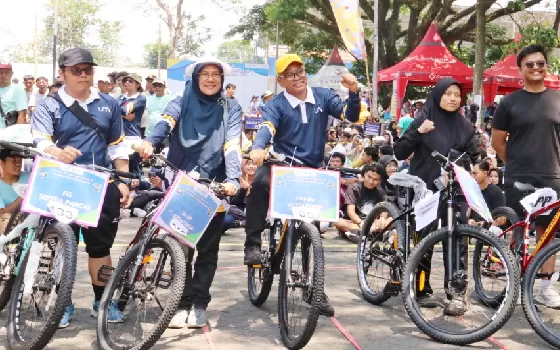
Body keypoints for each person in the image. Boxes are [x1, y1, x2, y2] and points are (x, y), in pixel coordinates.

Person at [243, 53, 360, 316]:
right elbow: (266, 127)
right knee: (260, 181)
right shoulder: (276, 104)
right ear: (281, 81)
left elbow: (350, 116)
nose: (298, 78)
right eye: (291, 74)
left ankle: (313, 286)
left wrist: (354, 92)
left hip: (313, 170)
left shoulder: (323, 96)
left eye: (301, 71)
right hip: (281, 165)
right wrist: (259, 147)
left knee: (312, 231)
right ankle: (252, 244)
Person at [137, 57, 242, 328]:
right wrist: (151, 141)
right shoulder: (180, 100)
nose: (210, 79)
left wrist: (233, 178)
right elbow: (166, 123)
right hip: (181, 179)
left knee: (207, 249)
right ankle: (180, 302)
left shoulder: (231, 106)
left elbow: (231, 144)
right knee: (180, 246)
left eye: (215, 74)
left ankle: (198, 303)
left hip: (215, 183)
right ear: (195, 78)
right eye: (204, 74)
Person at [31, 47, 131, 327]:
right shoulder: (49, 104)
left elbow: (117, 146)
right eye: (76, 70)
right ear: (62, 74)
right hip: (60, 183)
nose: (84, 75)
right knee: (62, 245)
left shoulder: (109, 104)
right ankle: (63, 302)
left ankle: (103, 300)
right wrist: (56, 152)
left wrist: (122, 180)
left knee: (101, 249)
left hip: (100, 185)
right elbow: (40, 140)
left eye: (88, 70)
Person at [491, 44, 560, 309]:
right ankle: (513, 281)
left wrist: (548, 159)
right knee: (518, 230)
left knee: (547, 233)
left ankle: (545, 288)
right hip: (518, 174)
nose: (536, 68)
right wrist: (516, 162)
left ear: (546, 65)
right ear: (521, 69)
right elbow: (497, 142)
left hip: (552, 176)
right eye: (530, 64)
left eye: (540, 63)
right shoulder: (509, 102)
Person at [393, 77, 478, 316]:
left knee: (457, 238)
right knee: (424, 237)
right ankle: (421, 289)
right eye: (448, 93)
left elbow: (474, 155)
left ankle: (456, 293)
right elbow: (400, 151)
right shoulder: (423, 119)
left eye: (457, 94)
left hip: (456, 189)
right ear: (438, 95)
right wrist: (418, 133)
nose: (452, 98)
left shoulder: (466, 126)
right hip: (426, 189)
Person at [334, 162, 386, 243]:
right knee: (337, 222)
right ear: (364, 174)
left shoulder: (381, 192)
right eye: (369, 177)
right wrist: (361, 223)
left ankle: (360, 233)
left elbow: (384, 210)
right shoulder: (353, 188)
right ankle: (371, 233)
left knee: (390, 220)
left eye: (375, 179)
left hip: (373, 222)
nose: (371, 181)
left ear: (380, 181)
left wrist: (382, 218)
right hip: (357, 222)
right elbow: (351, 212)